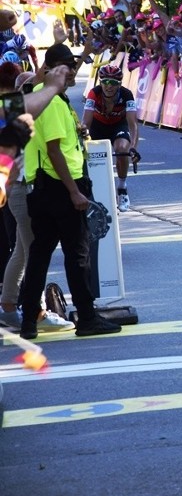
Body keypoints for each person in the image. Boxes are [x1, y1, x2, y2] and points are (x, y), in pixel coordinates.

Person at [18, 43, 122, 339]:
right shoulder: (48, 100)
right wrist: (74, 192)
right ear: (54, 69)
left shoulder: (47, 97)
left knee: (40, 254)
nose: (72, 73)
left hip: (45, 186)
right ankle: (87, 318)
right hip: (60, 186)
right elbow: (53, 150)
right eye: (67, 68)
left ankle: (29, 321)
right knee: (78, 254)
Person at [0, 65, 75, 332]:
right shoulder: (14, 114)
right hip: (21, 189)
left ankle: (9, 305)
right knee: (34, 253)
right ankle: (37, 311)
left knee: (23, 251)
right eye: (30, 88)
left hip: (20, 190)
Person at [82, 64, 139, 212]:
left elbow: (133, 124)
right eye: (105, 82)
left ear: (119, 84)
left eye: (113, 83)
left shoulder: (126, 95)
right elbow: (86, 122)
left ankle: (122, 188)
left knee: (121, 149)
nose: (108, 86)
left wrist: (133, 148)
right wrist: (82, 140)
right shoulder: (94, 93)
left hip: (118, 126)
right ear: (100, 82)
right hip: (97, 126)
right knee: (91, 155)